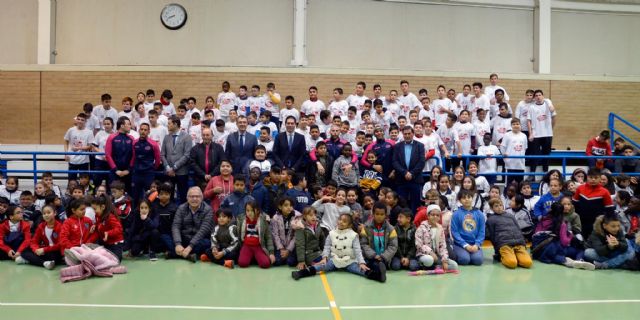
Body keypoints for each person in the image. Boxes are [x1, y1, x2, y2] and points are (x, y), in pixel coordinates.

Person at [292, 213, 385, 282]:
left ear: (349, 225)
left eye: (344, 221)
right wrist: (325, 257)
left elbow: (358, 250)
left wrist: (361, 262)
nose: (341, 222)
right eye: (340, 219)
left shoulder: (353, 235)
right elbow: (327, 246)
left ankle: (378, 276)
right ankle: (301, 273)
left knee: (360, 270)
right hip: (334, 260)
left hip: (349, 261)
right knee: (320, 267)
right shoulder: (331, 233)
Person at [531, 202, 594, 270]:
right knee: (579, 250)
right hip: (553, 247)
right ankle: (579, 260)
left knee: (551, 255)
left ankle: (568, 262)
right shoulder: (561, 223)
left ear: (550, 209)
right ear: (562, 211)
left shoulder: (543, 219)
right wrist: (570, 235)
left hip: (537, 248)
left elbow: (535, 234)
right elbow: (564, 242)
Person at [169, 187, 214, 262]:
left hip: (199, 240)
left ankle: (175, 254)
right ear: (187, 198)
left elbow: (203, 230)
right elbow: (176, 226)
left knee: (207, 243)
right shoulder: (181, 208)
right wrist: (178, 244)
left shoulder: (208, 209)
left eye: (197, 196)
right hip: (184, 238)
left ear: (202, 198)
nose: (194, 199)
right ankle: (188, 255)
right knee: (166, 237)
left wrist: (190, 246)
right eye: (191, 196)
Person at [486, 198, 533, 269]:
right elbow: (492, 236)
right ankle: (503, 256)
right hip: (504, 245)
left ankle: (515, 255)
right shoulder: (491, 219)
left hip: (518, 243)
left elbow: (518, 229)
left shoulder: (510, 216)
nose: (499, 207)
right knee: (512, 263)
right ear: (492, 208)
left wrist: (523, 243)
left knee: (528, 263)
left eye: (500, 205)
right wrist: (497, 251)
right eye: (496, 206)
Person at [573, 168, 615, 238]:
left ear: (600, 179)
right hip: (581, 222)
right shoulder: (580, 188)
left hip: (597, 224)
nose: (593, 179)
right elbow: (574, 205)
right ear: (587, 177)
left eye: (596, 177)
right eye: (591, 177)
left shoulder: (605, 192)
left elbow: (609, 211)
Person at [392, 126, 426, 212]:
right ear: (402, 134)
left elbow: (421, 162)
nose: (407, 136)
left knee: (416, 203)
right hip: (401, 179)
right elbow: (395, 162)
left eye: (409, 133)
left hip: (415, 179)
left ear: (413, 134)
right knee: (401, 203)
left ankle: (414, 222)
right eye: (405, 134)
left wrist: (412, 173)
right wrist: (404, 172)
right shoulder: (397, 146)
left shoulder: (420, 146)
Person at [415, 204, 459, 270]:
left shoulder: (440, 228)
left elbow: (443, 246)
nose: (435, 217)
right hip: (424, 254)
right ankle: (424, 264)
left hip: (437, 255)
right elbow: (419, 245)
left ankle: (435, 267)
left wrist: (444, 260)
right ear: (428, 216)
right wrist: (430, 252)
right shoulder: (421, 228)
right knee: (429, 260)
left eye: (437, 215)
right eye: (433, 215)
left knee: (454, 265)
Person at [360, 201, 398, 275]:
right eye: (377, 214)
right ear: (373, 214)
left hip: (385, 258)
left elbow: (393, 246)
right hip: (371, 257)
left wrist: (383, 256)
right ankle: (379, 270)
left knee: (395, 266)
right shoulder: (366, 227)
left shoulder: (391, 229)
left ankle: (379, 268)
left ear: (386, 215)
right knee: (371, 263)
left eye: (382, 214)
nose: (379, 216)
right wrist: (374, 255)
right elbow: (364, 244)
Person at [19, 205, 62, 269]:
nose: (46, 215)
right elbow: (34, 241)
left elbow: (60, 244)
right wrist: (36, 249)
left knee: (53, 256)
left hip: (55, 251)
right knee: (24, 251)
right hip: (45, 250)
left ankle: (30, 260)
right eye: (44, 213)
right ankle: (44, 263)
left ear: (55, 213)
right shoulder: (41, 226)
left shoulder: (60, 226)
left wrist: (44, 250)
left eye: (48, 213)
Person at [161, 116, 192, 203]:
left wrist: (174, 167)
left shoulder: (187, 137)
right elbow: (162, 154)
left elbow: (187, 155)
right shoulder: (167, 137)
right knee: (168, 196)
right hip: (168, 172)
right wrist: (167, 167)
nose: (167, 125)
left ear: (175, 124)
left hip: (182, 172)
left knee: (183, 196)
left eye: (169, 123)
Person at [236, 200, 275, 268]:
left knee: (265, 264)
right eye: (247, 210)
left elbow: (268, 237)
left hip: (258, 246)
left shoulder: (263, 220)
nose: (249, 213)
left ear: (257, 210)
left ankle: (254, 257)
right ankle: (252, 257)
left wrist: (271, 253)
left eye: (252, 210)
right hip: (246, 245)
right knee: (242, 263)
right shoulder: (242, 219)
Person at [451, 190, 486, 266]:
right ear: (460, 200)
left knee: (478, 261)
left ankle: (473, 254)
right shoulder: (456, 214)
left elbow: (481, 232)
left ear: (472, 198)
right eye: (463, 198)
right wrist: (465, 245)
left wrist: (477, 245)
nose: (466, 199)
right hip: (460, 244)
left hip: (474, 244)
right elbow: (455, 232)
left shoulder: (479, 213)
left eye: (469, 197)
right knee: (464, 260)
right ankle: (461, 253)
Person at [130, 123, 161, 205]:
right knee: (135, 197)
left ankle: (150, 216)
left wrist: (152, 168)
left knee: (150, 197)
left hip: (148, 174)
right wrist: (132, 167)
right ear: (139, 130)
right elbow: (133, 157)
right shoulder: (134, 143)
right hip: (136, 174)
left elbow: (158, 159)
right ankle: (135, 215)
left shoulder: (153, 144)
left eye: (145, 130)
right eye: (141, 129)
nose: (143, 131)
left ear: (149, 131)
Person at [527, 89, 556, 175]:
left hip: (547, 134)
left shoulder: (548, 102)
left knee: (546, 155)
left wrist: (551, 128)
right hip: (536, 135)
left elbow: (554, 116)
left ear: (543, 96)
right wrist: (530, 133)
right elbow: (529, 121)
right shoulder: (531, 107)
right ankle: (532, 174)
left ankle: (545, 173)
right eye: (536, 96)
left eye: (540, 95)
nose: (538, 97)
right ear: (534, 98)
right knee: (534, 155)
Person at [105, 116, 135, 194]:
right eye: (128, 124)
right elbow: (108, 155)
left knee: (129, 195)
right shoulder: (112, 137)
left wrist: (128, 170)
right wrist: (116, 170)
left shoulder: (131, 138)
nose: (130, 126)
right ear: (122, 126)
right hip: (115, 173)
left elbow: (134, 155)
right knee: (113, 195)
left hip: (128, 173)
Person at [91, 195, 125, 261]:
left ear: (103, 207)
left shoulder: (110, 217)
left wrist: (108, 233)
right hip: (105, 242)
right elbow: (99, 223)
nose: (94, 211)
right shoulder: (98, 215)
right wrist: (95, 225)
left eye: (95, 209)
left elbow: (119, 229)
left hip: (115, 243)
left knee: (116, 260)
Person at [271, 196, 302, 267]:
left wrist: (288, 250)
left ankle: (288, 256)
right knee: (277, 262)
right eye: (286, 205)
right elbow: (275, 235)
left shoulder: (297, 217)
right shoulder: (275, 218)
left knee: (291, 262)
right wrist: (281, 249)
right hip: (280, 247)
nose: (289, 207)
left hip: (291, 247)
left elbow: (296, 236)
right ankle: (283, 256)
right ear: (280, 206)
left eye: (291, 205)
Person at [63, 113, 94, 181]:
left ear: (85, 121)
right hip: (72, 160)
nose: (80, 121)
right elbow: (65, 141)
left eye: (82, 120)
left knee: (84, 181)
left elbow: (90, 146)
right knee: (71, 180)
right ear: (76, 120)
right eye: (78, 119)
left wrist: (79, 148)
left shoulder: (89, 132)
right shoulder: (71, 130)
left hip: (84, 160)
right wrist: (66, 153)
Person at [501, 118, 528, 186]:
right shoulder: (507, 135)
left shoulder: (524, 136)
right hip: (510, 165)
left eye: (517, 124)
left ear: (520, 125)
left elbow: (525, 148)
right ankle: (506, 196)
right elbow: (502, 147)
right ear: (511, 125)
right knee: (508, 184)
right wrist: (505, 157)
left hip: (520, 164)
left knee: (520, 184)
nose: (516, 125)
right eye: (514, 124)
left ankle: (520, 196)